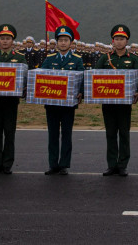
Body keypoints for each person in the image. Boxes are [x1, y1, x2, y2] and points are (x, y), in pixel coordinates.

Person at [95, 24, 138, 177]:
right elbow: (95, 77)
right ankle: (111, 165)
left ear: (127, 41)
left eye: (122, 39)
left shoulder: (134, 59)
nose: (119, 41)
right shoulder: (105, 58)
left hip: (124, 104)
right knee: (110, 134)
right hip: (108, 104)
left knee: (123, 133)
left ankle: (122, 164)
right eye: (116, 39)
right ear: (112, 41)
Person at [41, 26, 85, 175]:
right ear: (57, 42)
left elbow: (82, 79)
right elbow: (42, 77)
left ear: (71, 43)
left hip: (68, 104)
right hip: (52, 104)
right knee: (52, 134)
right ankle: (53, 164)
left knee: (66, 134)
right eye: (60, 40)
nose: (63, 43)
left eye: (66, 40)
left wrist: (81, 93)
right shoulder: (49, 59)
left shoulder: (77, 60)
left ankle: (64, 164)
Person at [0, 24, 26, 175]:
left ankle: (7, 164)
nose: (5, 41)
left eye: (8, 38)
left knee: (9, 132)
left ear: (13, 40)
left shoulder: (20, 58)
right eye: (2, 38)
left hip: (11, 102)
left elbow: (24, 78)